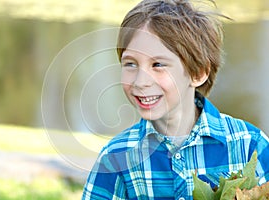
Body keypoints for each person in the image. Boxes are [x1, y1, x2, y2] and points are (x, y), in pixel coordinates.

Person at [82, 0, 269, 199]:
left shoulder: (250, 145)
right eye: (130, 64)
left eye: (158, 64)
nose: (140, 81)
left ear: (198, 73)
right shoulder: (115, 158)